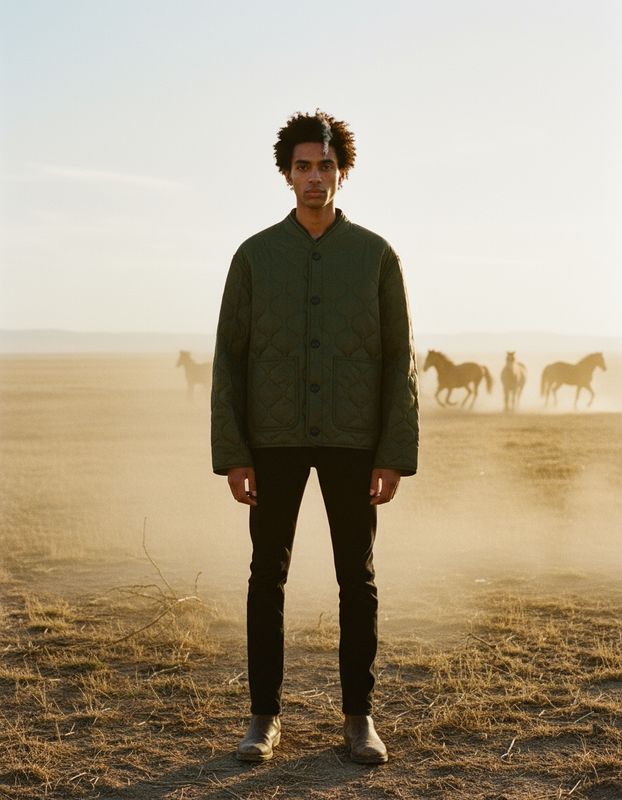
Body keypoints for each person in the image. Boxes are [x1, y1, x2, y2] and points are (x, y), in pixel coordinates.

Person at [211, 110, 419, 764]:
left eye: (325, 165)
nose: (314, 177)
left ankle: (359, 719)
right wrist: (234, 452)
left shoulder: (376, 256)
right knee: (264, 576)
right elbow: (229, 358)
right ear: (285, 173)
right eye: (302, 166)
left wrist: (393, 453)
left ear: (343, 171)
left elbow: (397, 359)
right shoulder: (253, 256)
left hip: (354, 441)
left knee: (356, 579)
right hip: (272, 440)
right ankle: (263, 719)